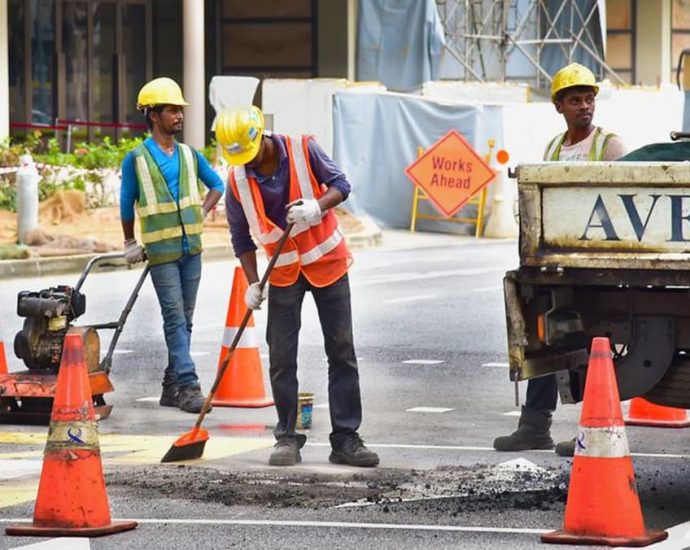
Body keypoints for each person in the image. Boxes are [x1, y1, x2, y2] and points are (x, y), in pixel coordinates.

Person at [215, 106, 379, 468]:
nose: (249, 163)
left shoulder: (305, 149)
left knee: (341, 350)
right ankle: (286, 438)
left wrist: (317, 206)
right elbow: (240, 237)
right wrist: (253, 283)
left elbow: (342, 185)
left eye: (251, 153)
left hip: (328, 265)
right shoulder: (237, 179)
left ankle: (346, 439)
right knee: (281, 357)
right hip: (285, 274)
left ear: (261, 137)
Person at [493, 63, 627, 456]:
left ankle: (595, 430)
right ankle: (534, 426)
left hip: (597, 262)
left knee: (591, 343)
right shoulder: (554, 148)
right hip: (559, 260)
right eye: (575, 100)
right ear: (559, 106)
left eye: (589, 99)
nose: (584, 106)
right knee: (546, 339)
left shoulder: (610, 145)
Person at [120, 77, 224, 413]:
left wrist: (203, 212)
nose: (179, 115)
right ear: (153, 115)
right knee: (175, 318)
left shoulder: (189, 155)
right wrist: (129, 242)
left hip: (192, 250)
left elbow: (217, 185)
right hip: (162, 254)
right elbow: (126, 203)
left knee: (186, 319)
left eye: (180, 110)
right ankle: (190, 384)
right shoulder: (135, 158)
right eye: (172, 110)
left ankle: (170, 386)